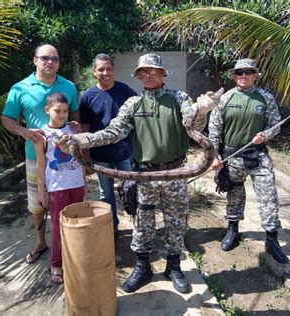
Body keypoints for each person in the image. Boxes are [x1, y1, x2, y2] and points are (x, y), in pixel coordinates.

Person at [59, 53, 220, 293]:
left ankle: (173, 267)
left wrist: (201, 111)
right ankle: (143, 267)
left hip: (175, 172)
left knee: (176, 222)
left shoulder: (178, 98)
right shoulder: (133, 104)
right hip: (143, 175)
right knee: (142, 222)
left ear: (163, 73)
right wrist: (83, 140)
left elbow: (191, 126)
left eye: (153, 71)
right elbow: (114, 132)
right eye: (143, 72)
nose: (147, 75)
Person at [1, 44, 79, 264]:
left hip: (66, 158)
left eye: (54, 59)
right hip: (36, 157)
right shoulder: (20, 88)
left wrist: (75, 125)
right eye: (45, 58)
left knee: (66, 202)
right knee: (38, 202)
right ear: (35, 60)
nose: (50, 62)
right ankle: (40, 241)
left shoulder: (69, 86)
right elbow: (7, 119)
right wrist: (24, 132)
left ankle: (67, 242)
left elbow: (74, 114)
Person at [208, 58, 288, 264]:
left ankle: (272, 239)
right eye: (239, 72)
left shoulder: (265, 98)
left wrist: (265, 135)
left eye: (248, 72)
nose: (243, 76)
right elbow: (215, 129)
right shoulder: (225, 98)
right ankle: (233, 231)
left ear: (255, 75)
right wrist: (216, 157)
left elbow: (275, 124)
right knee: (234, 194)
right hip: (232, 156)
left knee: (269, 196)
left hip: (258, 154)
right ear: (234, 76)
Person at [79, 53, 136, 235]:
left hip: (124, 152)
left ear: (113, 70)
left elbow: (139, 115)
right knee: (106, 193)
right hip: (100, 156)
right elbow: (85, 127)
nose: (105, 72)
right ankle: (112, 226)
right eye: (101, 69)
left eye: (109, 68)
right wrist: (86, 154)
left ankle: (138, 224)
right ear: (95, 72)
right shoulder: (88, 96)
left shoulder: (125, 90)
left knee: (131, 189)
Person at [34, 92, 85, 284]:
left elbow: (79, 158)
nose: (62, 114)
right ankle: (56, 263)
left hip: (76, 185)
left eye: (65, 111)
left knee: (78, 223)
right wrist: (42, 191)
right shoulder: (41, 135)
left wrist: (84, 183)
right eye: (57, 111)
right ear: (47, 110)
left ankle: (76, 258)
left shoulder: (73, 130)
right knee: (58, 226)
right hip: (57, 188)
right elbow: (40, 165)